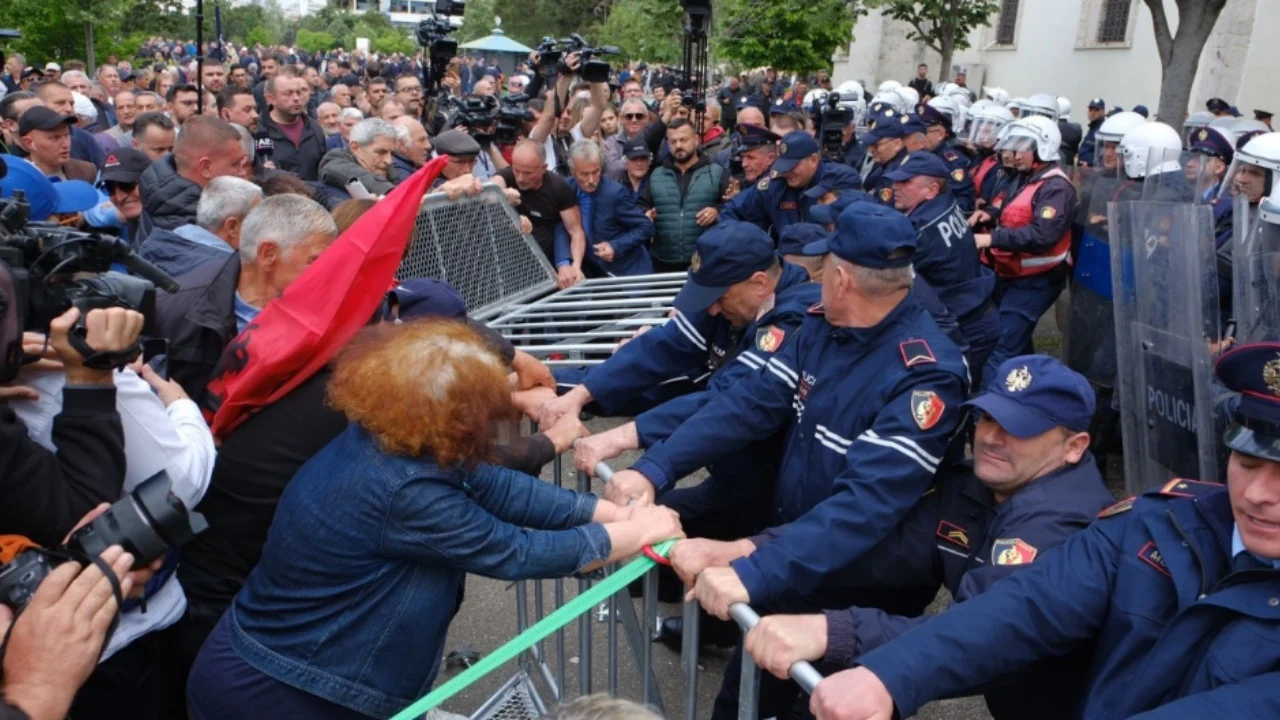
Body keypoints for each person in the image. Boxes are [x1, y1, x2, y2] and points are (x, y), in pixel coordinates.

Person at [186, 319, 685, 719]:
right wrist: (633, 532)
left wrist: (608, 512)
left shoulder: (391, 439)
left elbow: (498, 486)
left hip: (296, 674)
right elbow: (511, 550)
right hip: (283, 693)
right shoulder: (402, 487)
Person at [604, 203, 968, 720]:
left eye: (822, 272)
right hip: (794, 554)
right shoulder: (823, 328)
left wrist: (747, 556)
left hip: (863, 586)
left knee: (824, 706)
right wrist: (653, 468)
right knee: (743, 700)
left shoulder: (926, 375)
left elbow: (866, 506)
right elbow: (748, 404)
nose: (813, 281)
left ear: (841, 278)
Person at [809, 340, 1280, 720]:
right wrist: (891, 672)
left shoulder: (1072, 515)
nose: (1258, 493)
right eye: (1248, 461)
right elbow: (1029, 606)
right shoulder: (1162, 518)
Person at [746, 354, 1114, 719]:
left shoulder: (1065, 527)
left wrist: (835, 631)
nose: (990, 437)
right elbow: (881, 554)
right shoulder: (975, 486)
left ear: (1074, 446)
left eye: (1019, 428)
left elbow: (980, 634)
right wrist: (756, 557)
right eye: (987, 417)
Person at [572, 221, 820, 646]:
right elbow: (661, 348)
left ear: (759, 283)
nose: (710, 309)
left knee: (755, 596)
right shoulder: (731, 305)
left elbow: (726, 402)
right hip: (736, 473)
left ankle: (716, 632)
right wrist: (579, 392)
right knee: (667, 518)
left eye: (718, 296)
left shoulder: (797, 320)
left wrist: (628, 445)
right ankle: (683, 603)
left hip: (780, 491)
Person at [152, 194, 337, 404]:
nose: (326, 271)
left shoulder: (330, 312)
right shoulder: (174, 311)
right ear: (268, 254)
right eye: (315, 260)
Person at [972, 116, 1078, 387]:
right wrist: (988, 214)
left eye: (1020, 148)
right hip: (1013, 274)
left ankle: (984, 414)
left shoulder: (1056, 187)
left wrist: (991, 239)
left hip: (1037, 280)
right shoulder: (1024, 178)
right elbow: (1012, 209)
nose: (1012, 154)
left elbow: (1043, 234)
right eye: (1012, 146)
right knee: (1013, 340)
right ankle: (1031, 391)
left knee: (1001, 345)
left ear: (1042, 148)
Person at [886, 151, 999, 374]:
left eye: (906, 181)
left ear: (932, 190)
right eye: (897, 179)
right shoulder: (944, 203)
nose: (896, 186)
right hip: (977, 312)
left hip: (967, 326)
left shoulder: (921, 229)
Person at [721, 130, 862, 240]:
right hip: (786, 263)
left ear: (813, 160)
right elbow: (732, 209)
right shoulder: (775, 184)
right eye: (784, 166)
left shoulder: (839, 179)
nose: (787, 172)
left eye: (793, 166)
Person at [493, 139, 587, 288]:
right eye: (516, 170)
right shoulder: (508, 176)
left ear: (543, 168)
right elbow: (488, 192)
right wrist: (502, 193)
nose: (520, 178)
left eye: (528, 173)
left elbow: (575, 231)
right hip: (510, 264)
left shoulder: (558, 187)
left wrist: (575, 265)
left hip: (548, 265)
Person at [138, 115, 248, 241]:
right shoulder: (189, 228)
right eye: (235, 164)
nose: (243, 173)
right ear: (205, 168)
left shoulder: (164, 201)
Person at [640, 119, 729, 272]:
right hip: (663, 262)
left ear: (696, 140)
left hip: (706, 260)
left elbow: (733, 206)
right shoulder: (656, 175)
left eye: (683, 140)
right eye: (673, 141)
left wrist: (717, 212)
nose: (678, 145)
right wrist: (645, 215)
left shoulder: (716, 172)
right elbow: (641, 206)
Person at [554, 140, 653, 277]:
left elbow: (645, 226)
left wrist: (616, 246)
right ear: (573, 171)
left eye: (596, 172)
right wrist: (563, 262)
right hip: (591, 271)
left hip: (628, 272)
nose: (592, 180)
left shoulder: (615, 193)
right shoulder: (566, 189)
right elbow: (561, 227)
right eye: (584, 174)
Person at [140, 175, 263, 277]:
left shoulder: (158, 247)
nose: (263, 231)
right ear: (232, 227)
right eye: (257, 222)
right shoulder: (227, 275)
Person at [257, 68, 326, 181]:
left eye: (299, 92)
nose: (296, 98)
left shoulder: (314, 128)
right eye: (288, 93)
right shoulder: (260, 130)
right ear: (271, 98)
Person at [318, 117, 401, 196]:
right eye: (380, 152)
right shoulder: (335, 161)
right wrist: (393, 193)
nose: (389, 161)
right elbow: (340, 170)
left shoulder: (388, 169)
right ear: (355, 147)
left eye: (392, 153)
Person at [33, 80, 107, 168]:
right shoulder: (27, 135)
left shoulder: (84, 138)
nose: (69, 109)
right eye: (60, 103)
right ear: (40, 105)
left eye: (71, 104)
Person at [16, 106, 97, 182]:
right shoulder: (17, 177)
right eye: (55, 138)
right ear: (29, 143)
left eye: (67, 135)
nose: (65, 144)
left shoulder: (85, 171)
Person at [860, 107, 911, 206]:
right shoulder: (886, 164)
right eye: (870, 145)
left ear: (896, 144)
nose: (871, 150)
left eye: (876, 145)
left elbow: (882, 209)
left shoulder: (897, 174)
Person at [1077, 97, 1106, 166]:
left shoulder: (1103, 129)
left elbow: (1103, 155)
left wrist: (1089, 163)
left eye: (1096, 110)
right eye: (1090, 109)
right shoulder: (1092, 127)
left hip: (1093, 170)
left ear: (1103, 112)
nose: (1092, 113)